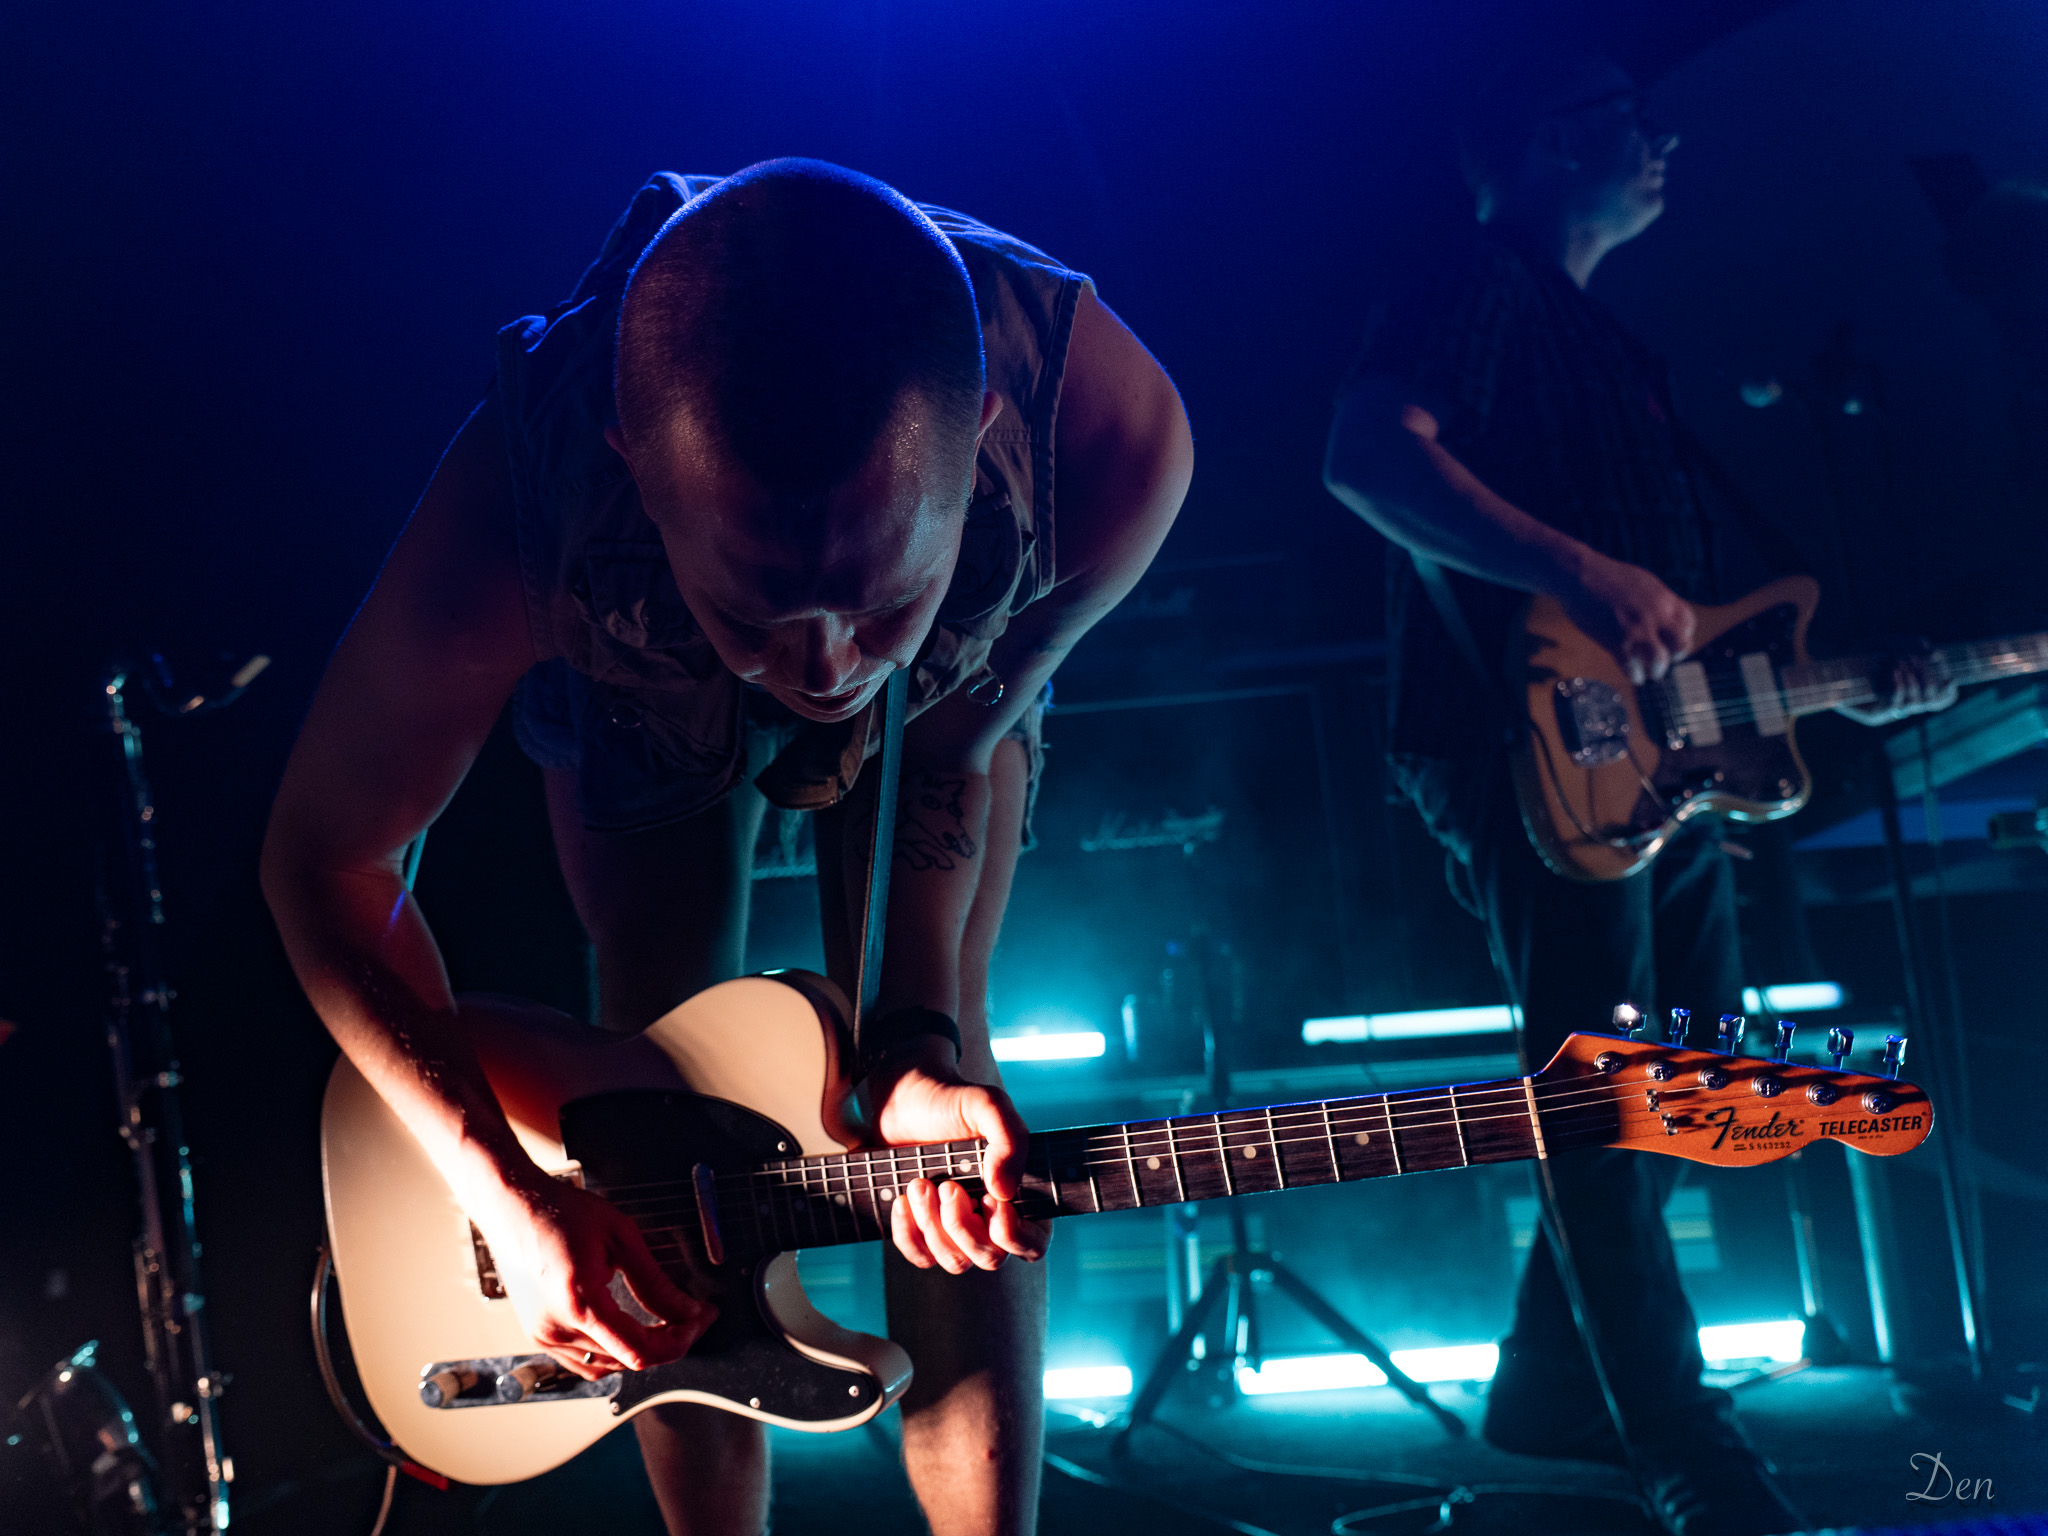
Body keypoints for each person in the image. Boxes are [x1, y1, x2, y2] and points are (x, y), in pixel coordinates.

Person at [262, 159, 1190, 1536]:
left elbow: (946, 750)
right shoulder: (526, 510)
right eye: (756, 613)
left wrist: (913, 1053)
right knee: (653, 1091)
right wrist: (503, 1191)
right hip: (629, 658)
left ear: (980, 434)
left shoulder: (1108, 448)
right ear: (637, 467)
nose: (821, 669)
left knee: (950, 1103)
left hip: (948, 689)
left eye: (878, 605)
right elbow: (325, 859)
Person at [1323, 54, 1949, 1536]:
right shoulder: (1479, 279)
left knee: (1698, 1067)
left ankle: (1554, 1383)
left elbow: (1687, 632)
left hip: (1661, 756)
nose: (1665, 141)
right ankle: (1686, 1447)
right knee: (1614, 1085)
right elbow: (1365, 455)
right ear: (1551, 143)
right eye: (1632, 123)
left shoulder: (1600, 338)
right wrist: (1584, 572)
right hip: (1526, 740)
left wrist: (1826, 681)